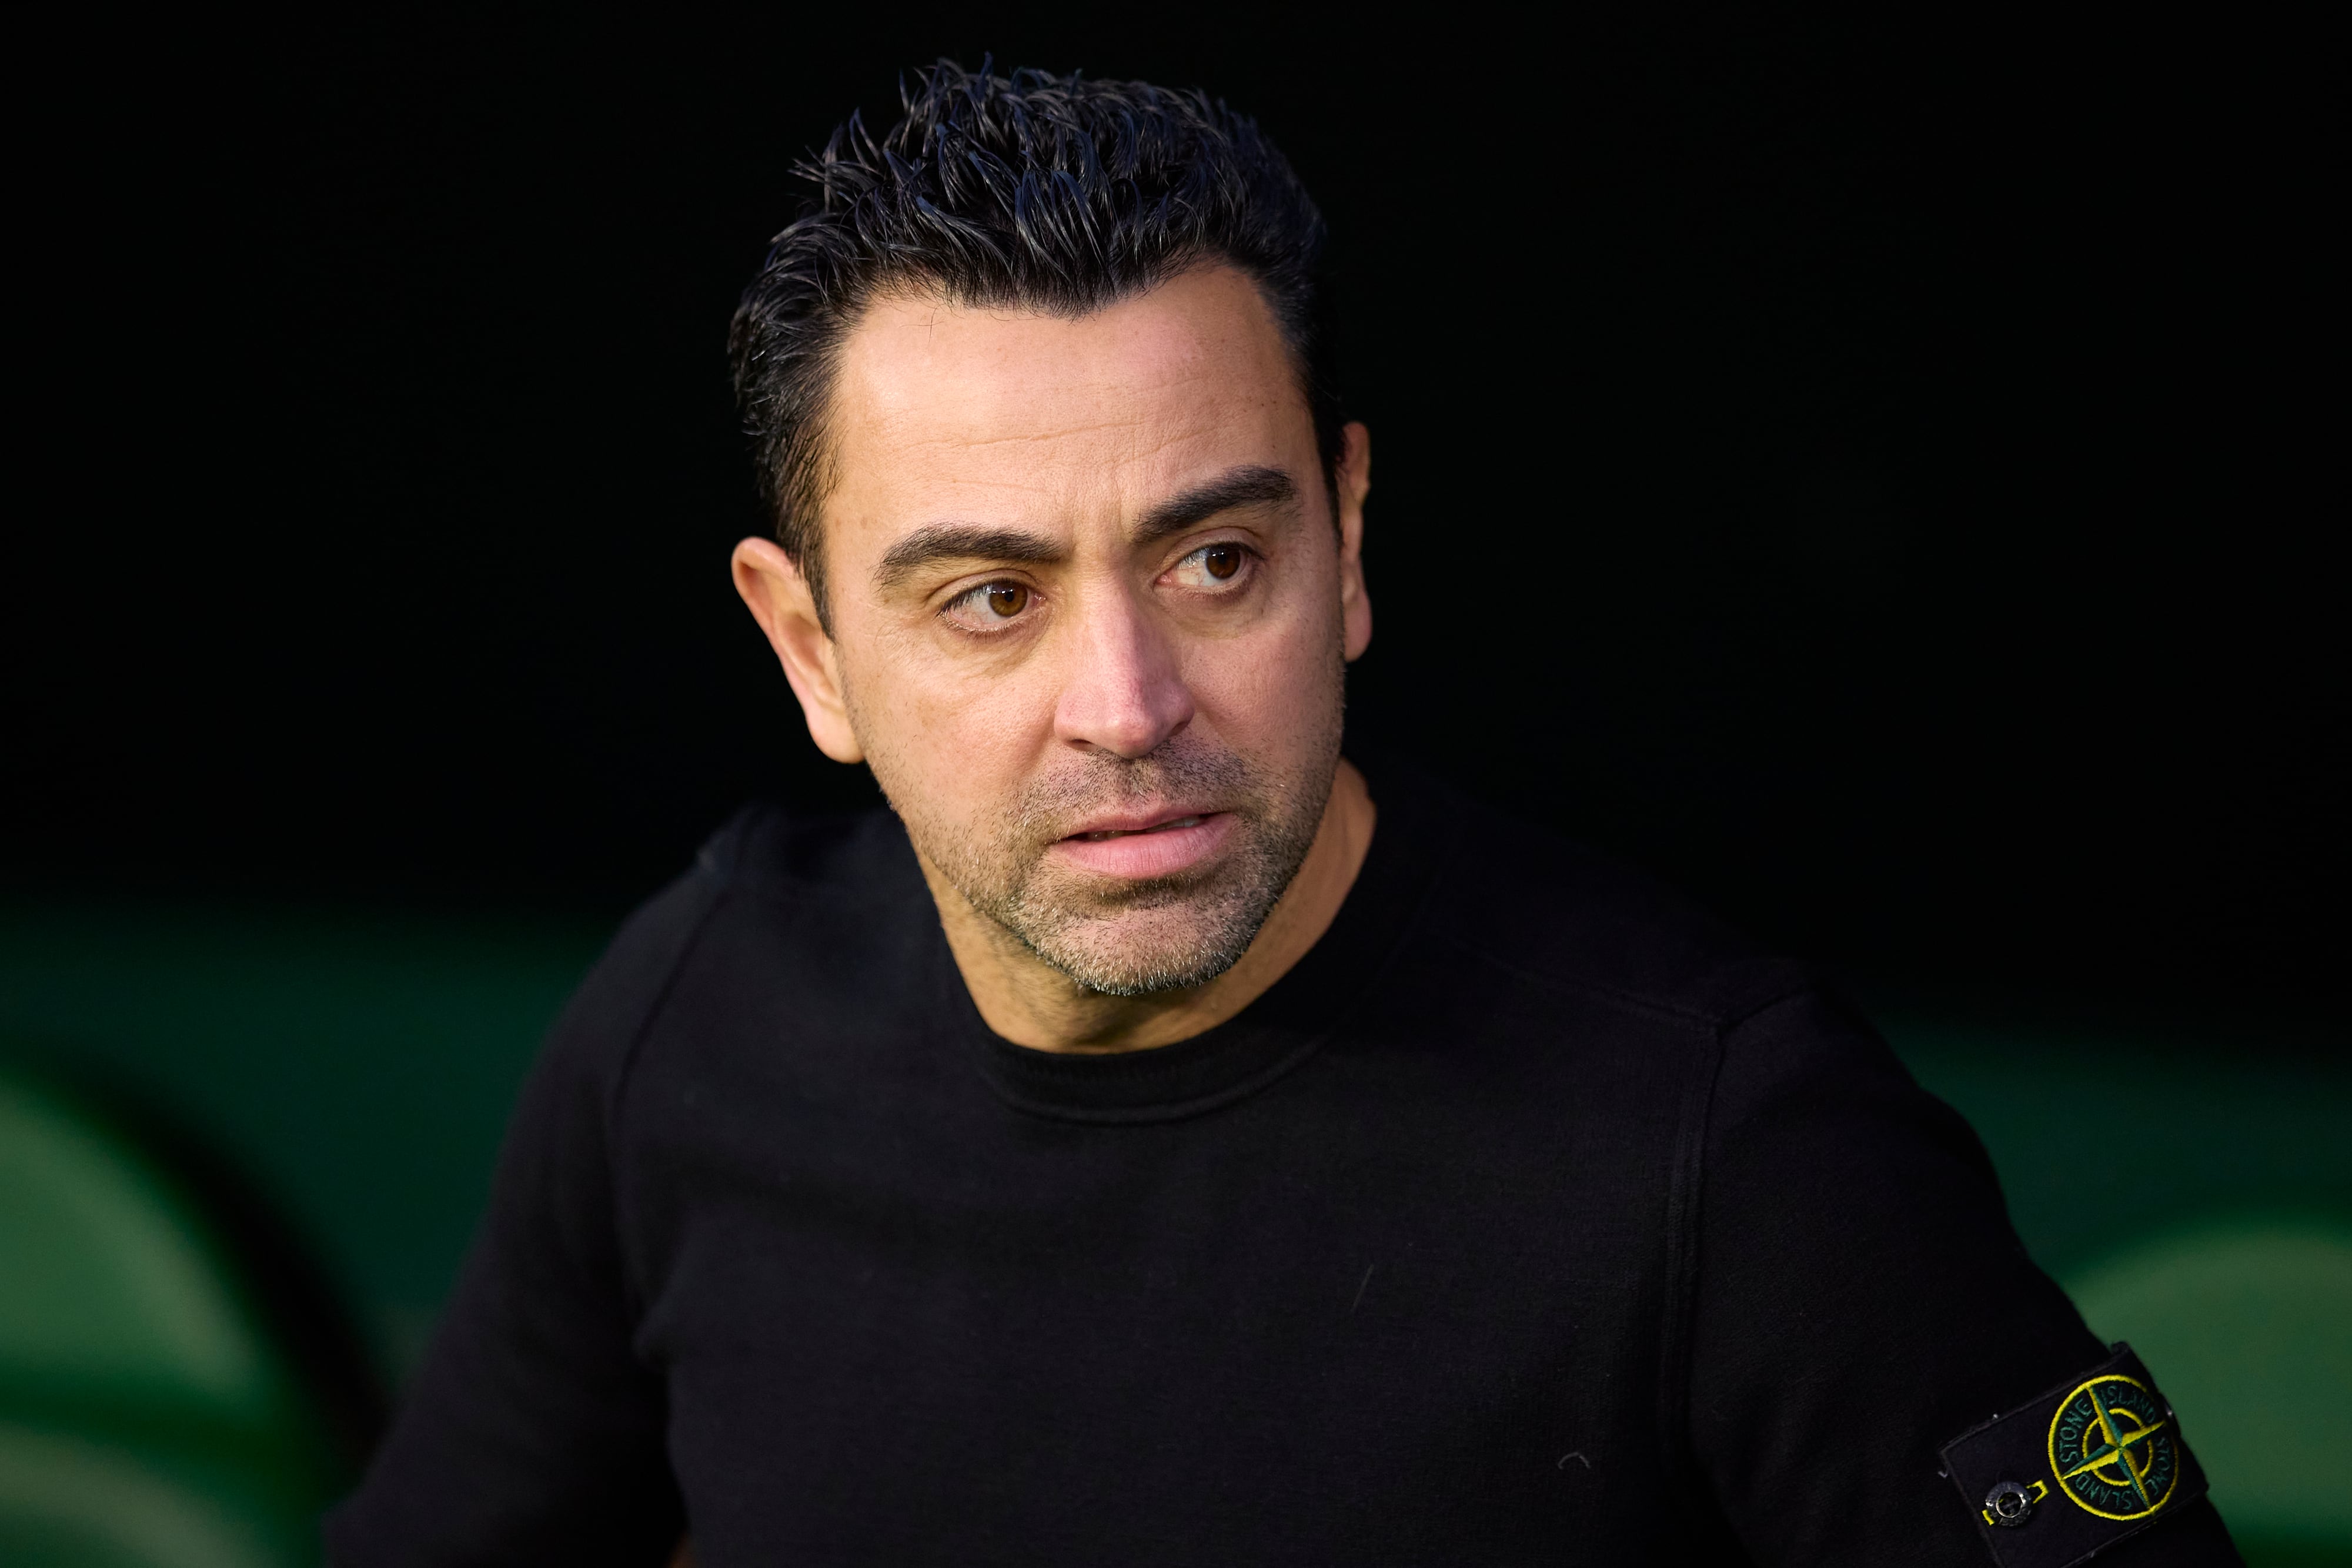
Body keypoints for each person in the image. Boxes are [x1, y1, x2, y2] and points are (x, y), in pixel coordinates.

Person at [328, 61, 2240, 1566]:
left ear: (1347, 543)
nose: (1129, 703)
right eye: (990, 598)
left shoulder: (1739, 1146)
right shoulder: (702, 1021)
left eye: (1217, 558)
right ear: (813, 649)